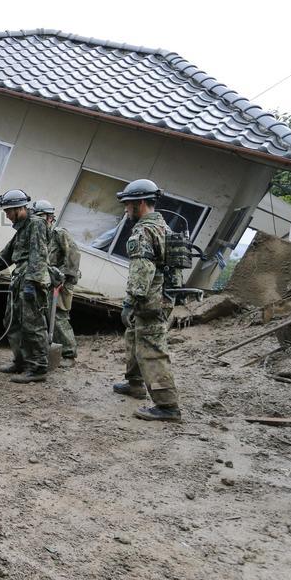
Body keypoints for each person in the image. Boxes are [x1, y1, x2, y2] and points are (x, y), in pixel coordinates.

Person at [112, 179, 182, 422]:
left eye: (128, 205)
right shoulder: (164, 227)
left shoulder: (143, 230)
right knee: (134, 336)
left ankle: (167, 406)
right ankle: (135, 383)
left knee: (151, 349)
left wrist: (130, 302)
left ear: (140, 203)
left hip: (150, 299)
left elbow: (142, 270)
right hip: (162, 296)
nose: (125, 210)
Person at [0, 189, 50, 383]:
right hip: (19, 278)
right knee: (12, 321)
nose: (7, 216)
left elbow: (39, 255)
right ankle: (21, 361)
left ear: (19, 208)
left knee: (32, 325)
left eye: (8, 212)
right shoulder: (22, 228)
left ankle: (38, 368)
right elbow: (8, 253)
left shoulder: (36, 224)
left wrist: (32, 283)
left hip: (30, 281)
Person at [30, 199, 81, 364]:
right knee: (47, 316)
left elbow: (73, 253)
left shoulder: (58, 233)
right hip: (48, 282)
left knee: (59, 316)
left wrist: (65, 277)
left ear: (49, 217)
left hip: (62, 283)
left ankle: (69, 354)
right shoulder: (41, 236)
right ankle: (50, 350)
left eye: (41, 217)